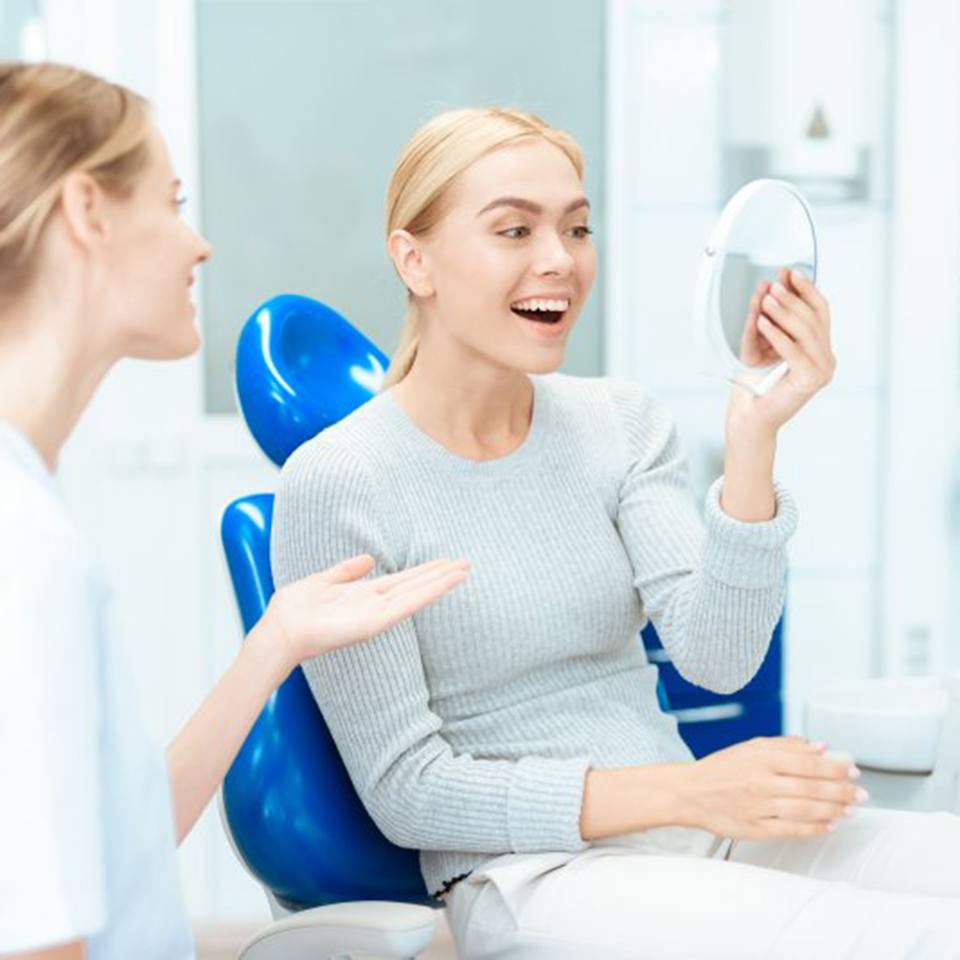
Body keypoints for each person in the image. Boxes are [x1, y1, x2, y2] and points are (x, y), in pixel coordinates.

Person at [271, 106, 960, 959]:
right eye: (514, 229)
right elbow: (410, 794)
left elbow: (717, 658)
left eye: (577, 226)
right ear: (415, 259)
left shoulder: (620, 422)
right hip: (533, 877)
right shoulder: (340, 482)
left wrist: (754, 437)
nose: (559, 259)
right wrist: (689, 790)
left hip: (694, 830)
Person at [0, 62, 470, 960]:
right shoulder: (25, 552)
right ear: (86, 213)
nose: (198, 245)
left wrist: (275, 643)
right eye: (171, 202)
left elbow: (116, 845)